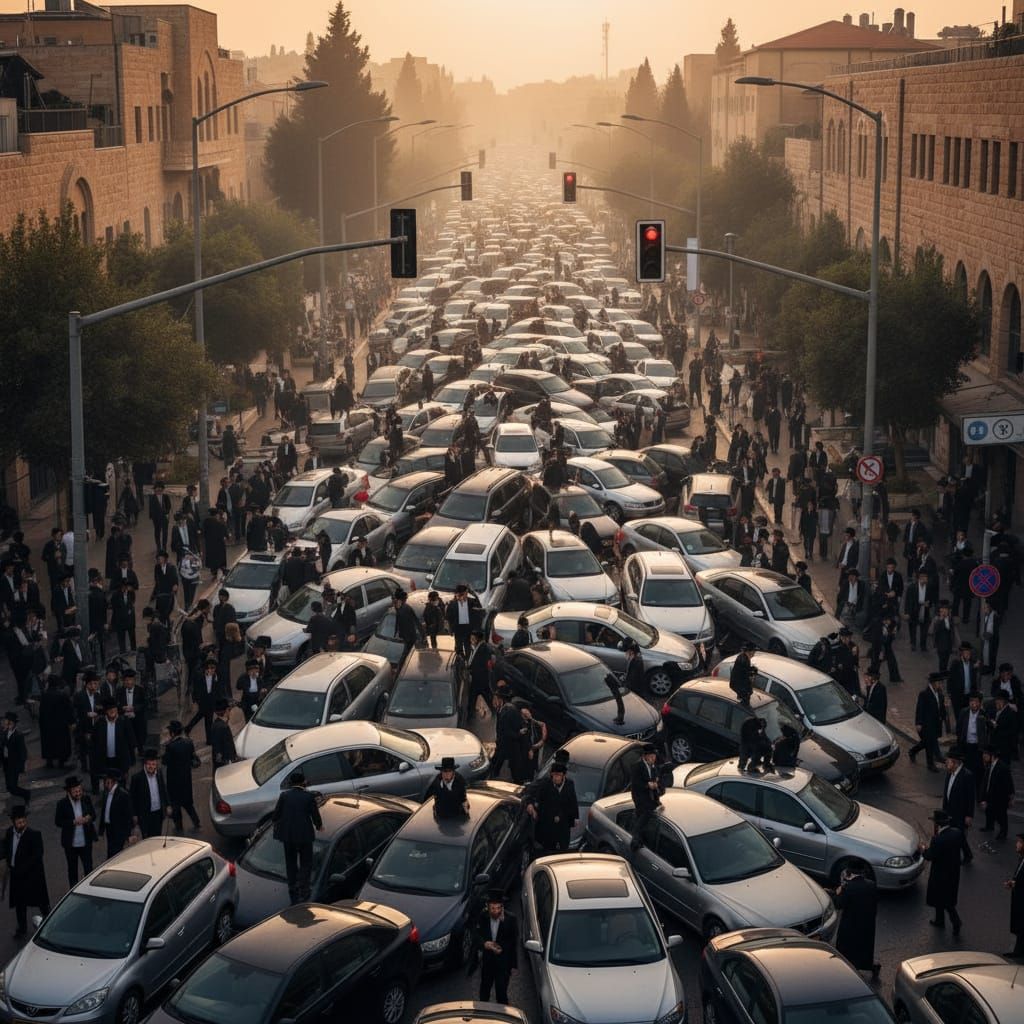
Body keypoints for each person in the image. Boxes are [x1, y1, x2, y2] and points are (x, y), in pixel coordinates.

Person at [272, 770, 323, 905]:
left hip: (288, 836)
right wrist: (319, 826)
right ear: (303, 782)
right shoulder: (308, 797)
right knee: (306, 862)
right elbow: (315, 815)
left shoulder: (284, 796)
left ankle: (292, 885)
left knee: (291, 861)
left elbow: (276, 815)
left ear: (291, 783)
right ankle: (304, 888)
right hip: (304, 836)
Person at [3, 806, 49, 940]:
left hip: (31, 876)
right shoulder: (9, 833)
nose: (22, 825)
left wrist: (22, 868)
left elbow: (38, 855)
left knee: (41, 902)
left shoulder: (34, 835)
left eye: (23, 822)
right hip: (17, 876)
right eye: (19, 823)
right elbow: (6, 849)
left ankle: (49, 922)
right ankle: (22, 928)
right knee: (19, 903)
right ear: (13, 823)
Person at [831, 859, 879, 979]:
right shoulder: (871, 885)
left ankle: (848, 970)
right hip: (867, 924)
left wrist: (837, 893)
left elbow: (839, 904)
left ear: (849, 873)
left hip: (850, 925)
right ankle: (870, 966)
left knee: (847, 949)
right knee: (864, 948)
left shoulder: (848, 888)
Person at [526, 750, 579, 856]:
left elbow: (572, 801)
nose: (556, 778)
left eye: (558, 775)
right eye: (554, 775)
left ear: (564, 775)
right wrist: (530, 804)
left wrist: (575, 818)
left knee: (562, 849)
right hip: (547, 825)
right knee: (547, 850)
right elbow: (531, 793)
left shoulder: (569, 785)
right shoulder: (545, 784)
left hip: (563, 825)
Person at [921, 809, 963, 935]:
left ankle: (956, 922)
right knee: (946, 898)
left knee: (943, 900)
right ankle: (940, 920)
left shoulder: (938, 840)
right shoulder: (957, 833)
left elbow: (929, 856)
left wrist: (923, 849)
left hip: (940, 874)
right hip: (953, 872)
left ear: (937, 824)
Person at [475, 890, 518, 1004]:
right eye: (493, 908)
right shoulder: (483, 916)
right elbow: (476, 935)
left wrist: (513, 965)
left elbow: (513, 942)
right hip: (488, 962)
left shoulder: (511, 919)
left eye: (499, 908)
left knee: (501, 994)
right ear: (487, 907)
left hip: (503, 963)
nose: (496, 911)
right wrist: (484, 944)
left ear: (502, 907)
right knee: (484, 992)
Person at [54, 775, 96, 888]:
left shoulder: (86, 799)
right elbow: (58, 822)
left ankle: (89, 889)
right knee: (72, 869)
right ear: (69, 792)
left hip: (85, 841)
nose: (78, 793)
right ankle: (73, 891)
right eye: (75, 792)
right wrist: (72, 822)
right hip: (70, 843)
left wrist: (88, 818)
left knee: (88, 867)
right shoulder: (62, 804)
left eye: (79, 790)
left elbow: (93, 815)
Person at [163, 720, 201, 834]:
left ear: (172, 733)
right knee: (188, 803)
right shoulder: (188, 742)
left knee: (175, 805)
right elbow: (192, 757)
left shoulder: (170, 746)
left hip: (173, 781)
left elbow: (165, 761)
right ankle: (196, 822)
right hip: (186, 778)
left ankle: (179, 826)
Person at [942, 746, 975, 865]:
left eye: (948, 760)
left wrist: (969, 815)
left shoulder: (967, 776)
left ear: (955, 762)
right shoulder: (949, 773)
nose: (946, 762)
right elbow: (946, 793)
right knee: (952, 833)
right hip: (949, 811)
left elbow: (971, 798)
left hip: (960, 813)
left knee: (959, 835)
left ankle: (967, 855)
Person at [129, 748, 171, 839]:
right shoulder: (137, 778)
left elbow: (163, 790)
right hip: (144, 815)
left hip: (158, 813)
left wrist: (167, 805)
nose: (151, 767)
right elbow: (132, 799)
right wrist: (134, 814)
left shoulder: (159, 773)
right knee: (147, 839)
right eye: (149, 764)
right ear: (145, 764)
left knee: (157, 837)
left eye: (153, 764)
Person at [909, 673, 947, 772]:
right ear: (933, 683)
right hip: (927, 724)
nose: (941, 685)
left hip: (936, 723)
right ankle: (930, 764)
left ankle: (913, 751)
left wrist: (944, 716)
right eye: (939, 683)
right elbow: (920, 709)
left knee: (927, 742)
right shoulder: (924, 694)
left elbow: (941, 708)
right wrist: (919, 723)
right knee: (929, 743)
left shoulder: (940, 694)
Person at [629, 743, 663, 851]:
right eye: (652, 756)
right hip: (640, 796)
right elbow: (635, 783)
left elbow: (656, 778)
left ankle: (639, 839)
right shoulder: (637, 766)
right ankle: (635, 838)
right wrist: (647, 785)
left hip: (650, 796)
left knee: (644, 816)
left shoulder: (653, 766)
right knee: (646, 813)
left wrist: (656, 784)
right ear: (645, 756)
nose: (654, 758)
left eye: (654, 756)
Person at [979, 746, 1014, 840]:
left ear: (992, 756)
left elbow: (1009, 784)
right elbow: (986, 781)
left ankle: (1003, 832)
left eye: (985, 754)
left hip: (1000, 797)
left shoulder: (1002, 767)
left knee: (1001, 816)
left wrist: (1010, 798)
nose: (983, 756)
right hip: (990, 795)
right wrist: (983, 798)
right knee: (989, 812)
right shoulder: (989, 765)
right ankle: (989, 826)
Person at [98, 769, 134, 858]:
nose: (104, 784)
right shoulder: (106, 793)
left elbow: (128, 816)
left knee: (115, 854)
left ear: (113, 782)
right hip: (109, 828)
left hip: (119, 830)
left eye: (106, 781)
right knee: (111, 852)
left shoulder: (123, 795)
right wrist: (101, 831)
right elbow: (104, 812)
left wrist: (128, 834)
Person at [490, 690, 524, 781]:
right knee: (498, 760)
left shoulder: (508, 711)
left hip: (509, 743)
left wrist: (518, 734)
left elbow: (507, 730)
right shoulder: (502, 709)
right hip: (503, 743)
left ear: (500, 699)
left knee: (513, 764)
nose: (494, 701)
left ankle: (517, 782)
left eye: (496, 699)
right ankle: (493, 774)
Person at [1, 711, 30, 806]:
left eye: (9, 723)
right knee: (9, 787)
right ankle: (20, 799)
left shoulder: (18, 735)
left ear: (13, 723)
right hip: (6, 764)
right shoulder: (4, 733)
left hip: (15, 765)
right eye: (6, 722)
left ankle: (26, 794)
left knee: (13, 786)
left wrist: (24, 765)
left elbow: (23, 751)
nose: (7, 724)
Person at [446, 584, 480, 658]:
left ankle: (468, 662)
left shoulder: (471, 602)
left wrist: (474, 594)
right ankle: (459, 662)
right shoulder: (452, 604)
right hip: (458, 628)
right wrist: (450, 629)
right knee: (458, 647)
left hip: (468, 628)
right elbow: (449, 617)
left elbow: (479, 608)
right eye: (465, 593)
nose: (467, 594)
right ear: (460, 593)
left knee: (468, 647)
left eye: (467, 593)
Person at [1005, 833, 1024, 958]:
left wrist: (1016, 884)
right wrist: (1013, 882)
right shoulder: (1021, 858)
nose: (1016, 844)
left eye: (1020, 842)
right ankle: (1018, 951)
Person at [210, 699, 238, 768]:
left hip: (219, 760)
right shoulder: (224, 727)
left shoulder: (215, 724)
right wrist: (232, 758)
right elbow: (228, 745)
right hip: (225, 761)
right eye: (229, 710)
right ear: (226, 711)